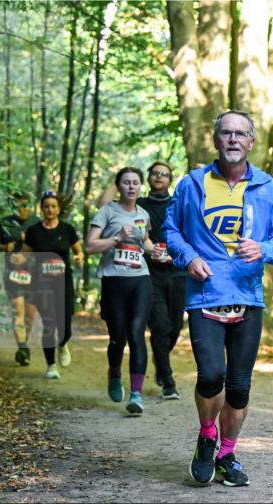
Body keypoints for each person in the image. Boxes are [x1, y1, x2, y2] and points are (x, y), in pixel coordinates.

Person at [164, 110, 273, 487]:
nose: (233, 139)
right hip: (205, 293)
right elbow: (171, 229)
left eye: (241, 134)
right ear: (216, 140)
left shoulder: (267, 188)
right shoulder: (192, 184)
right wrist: (188, 258)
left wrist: (263, 248)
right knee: (211, 376)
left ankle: (227, 454)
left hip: (248, 297)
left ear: (251, 142)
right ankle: (207, 437)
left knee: (239, 386)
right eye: (226, 133)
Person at [87, 167, 155, 415]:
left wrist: (153, 250)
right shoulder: (107, 211)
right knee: (118, 338)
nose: (131, 187)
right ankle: (114, 374)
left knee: (137, 333)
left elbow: (144, 242)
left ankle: (136, 394)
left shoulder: (143, 214)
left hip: (140, 278)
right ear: (119, 186)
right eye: (126, 182)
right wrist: (116, 238)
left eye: (136, 183)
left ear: (140, 186)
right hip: (114, 279)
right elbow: (90, 246)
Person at [17, 191, 83, 379]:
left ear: (59, 209)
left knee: (66, 322)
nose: (50, 209)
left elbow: (78, 251)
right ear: (42, 209)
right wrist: (17, 258)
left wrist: (79, 258)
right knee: (49, 323)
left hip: (64, 282)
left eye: (53, 206)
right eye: (46, 206)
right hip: (42, 282)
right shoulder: (34, 231)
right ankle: (51, 366)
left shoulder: (67, 230)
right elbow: (25, 255)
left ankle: (63, 345)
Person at [140, 161, 184, 399]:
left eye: (164, 174)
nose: (159, 177)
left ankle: (160, 359)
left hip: (178, 273)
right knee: (160, 325)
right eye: (155, 173)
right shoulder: (139, 205)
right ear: (149, 177)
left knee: (175, 327)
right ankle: (168, 380)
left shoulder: (178, 204)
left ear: (170, 180)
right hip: (149, 273)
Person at [0, 192, 39, 366]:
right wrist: (3, 246)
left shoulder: (37, 222)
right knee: (18, 310)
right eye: (17, 204)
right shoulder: (6, 222)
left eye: (23, 204)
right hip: (13, 274)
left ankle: (25, 342)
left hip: (34, 275)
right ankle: (22, 347)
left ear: (29, 204)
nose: (20, 207)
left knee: (30, 315)